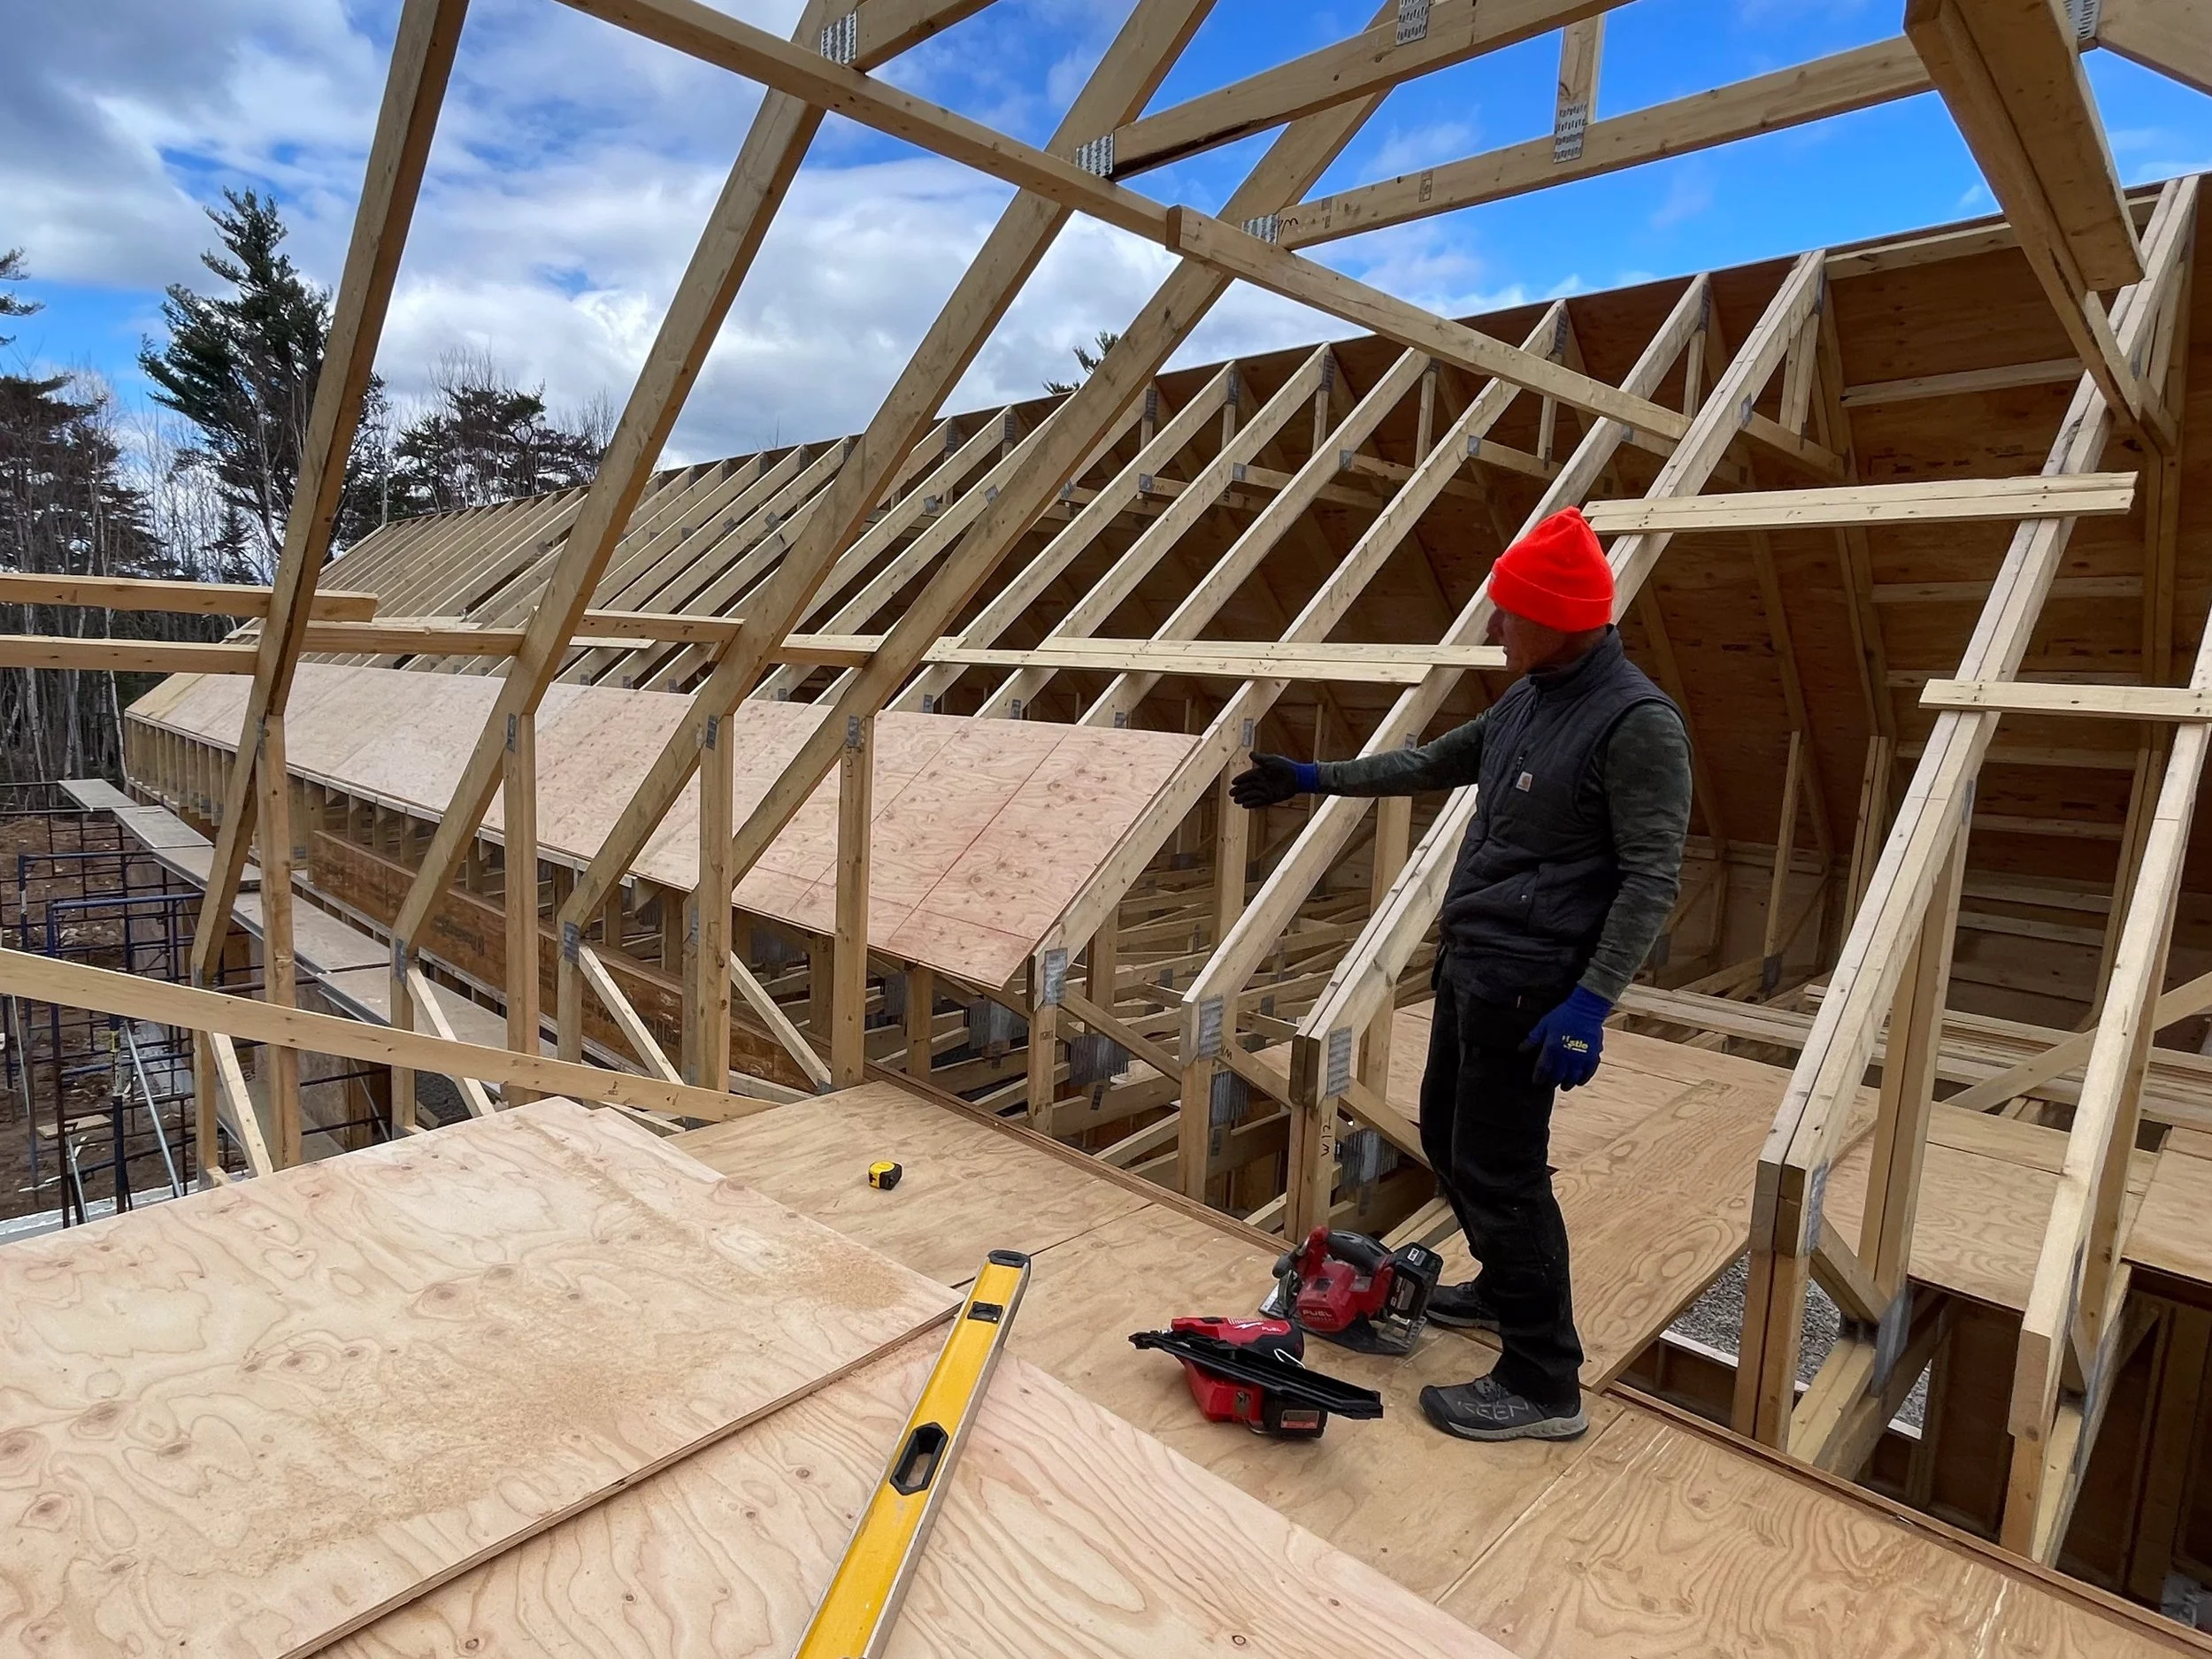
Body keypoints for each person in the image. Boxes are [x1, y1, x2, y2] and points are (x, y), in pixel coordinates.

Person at [1230, 506, 1692, 1443]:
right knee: (1446, 1137)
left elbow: (1652, 876)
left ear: (1559, 618)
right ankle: (1498, 1292)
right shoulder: (1529, 697)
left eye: (1506, 613)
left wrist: (1590, 1002)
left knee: (1503, 1170)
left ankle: (1541, 1382)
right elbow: (1433, 762)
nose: (1491, 627)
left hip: (1536, 987)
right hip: (1479, 963)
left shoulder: (1636, 725)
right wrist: (1314, 778)